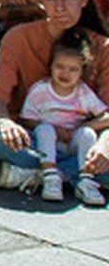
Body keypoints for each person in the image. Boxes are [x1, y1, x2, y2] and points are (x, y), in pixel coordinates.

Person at [0, 0, 109, 192]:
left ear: (84, 0)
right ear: (41, 1)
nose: (60, 7)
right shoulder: (18, 37)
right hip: (34, 135)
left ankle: (38, 174)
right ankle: (74, 175)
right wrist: (5, 121)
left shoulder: (102, 46)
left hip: (83, 139)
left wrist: (103, 145)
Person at [19, 36, 109, 203]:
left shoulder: (83, 93)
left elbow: (105, 116)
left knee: (87, 134)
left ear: (82, 71)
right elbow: (28, 119)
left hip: (71, 143)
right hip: (46, 144)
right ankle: (50, 176)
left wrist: (79, 128)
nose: (65, 73)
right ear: (51, 66)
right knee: (43, 130)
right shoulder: (41, 90)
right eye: (60, 66)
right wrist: (55, 131)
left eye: (73, 69)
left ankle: (85, 179)